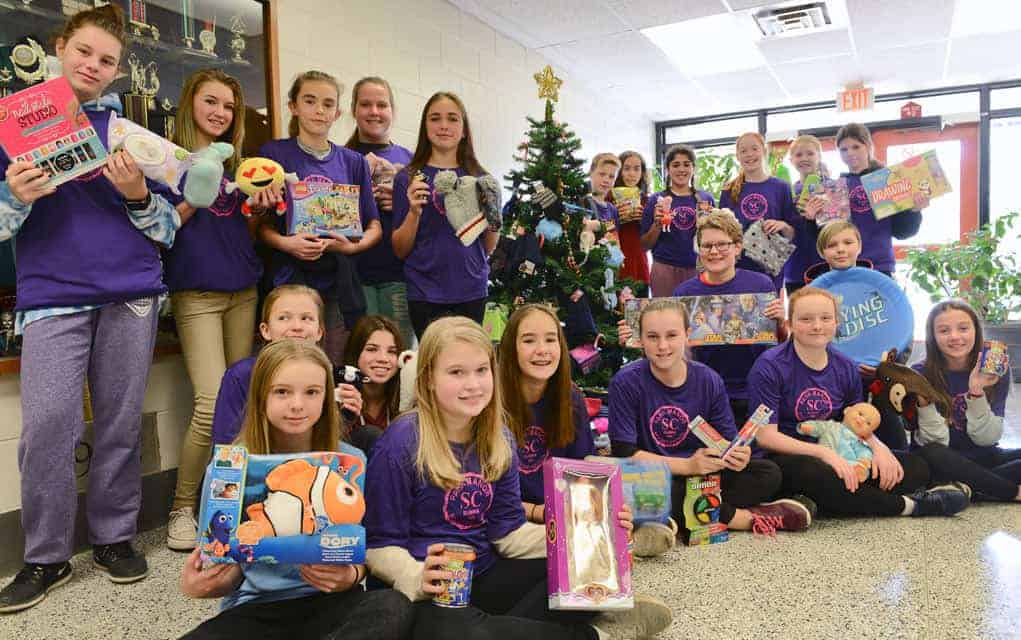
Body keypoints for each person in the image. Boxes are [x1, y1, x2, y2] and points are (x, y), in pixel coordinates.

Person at [0, 4, 180, 612]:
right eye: (84, 52)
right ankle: (45, 557)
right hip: (52, 297)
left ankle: (114, 538)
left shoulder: (130, 137)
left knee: (121, 423)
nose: (94, 66)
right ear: (60, 48)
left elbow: (168, 229)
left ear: (118, 72)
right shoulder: (15, 126)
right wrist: (14, 198)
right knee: (47, 430)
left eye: (107, 60)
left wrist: (136, 195)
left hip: (130, 294)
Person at [364, 316, 671, 640]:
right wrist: (415, 576)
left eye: (482, 371)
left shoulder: (499, 438)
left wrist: (594, 535)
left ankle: (513, 628)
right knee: (453, 631)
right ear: (428, 379)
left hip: (484, 574)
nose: (473, 384)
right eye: (456, 372)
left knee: (584, 563)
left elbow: (508, 534)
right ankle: (595, 635)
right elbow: (379, 546)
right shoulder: (400, 442)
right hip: (429, 594)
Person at [178, 339, 412, 639]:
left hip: (331, 603)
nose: (297, 404)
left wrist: (351, 575)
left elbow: (368, 549)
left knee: (392, 606)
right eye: (281, 391)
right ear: (261, 396)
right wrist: (199, 584)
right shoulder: (228, 469)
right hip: (256, 609)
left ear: (327, 397)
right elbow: (223, 563)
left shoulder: (351, 463)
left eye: (312, 392)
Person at [608, 298, 811, 557]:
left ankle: (675, 520)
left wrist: (736, 455)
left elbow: (726, 441)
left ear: (688, 335)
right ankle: (745, 519)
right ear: (641, 340)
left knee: (768, 473)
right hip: (655, 477)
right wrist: (687, 466)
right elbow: (626, 454)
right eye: (652, 337)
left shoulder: (707, 379)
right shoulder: (626, 382)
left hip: (703, 477)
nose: (662, 346)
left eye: (671, 335)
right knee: (641, 491)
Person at [747, 288, 970, 518]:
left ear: (836, 322)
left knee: (914, 468)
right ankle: (909, 506)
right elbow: (765, 437)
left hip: (843, 448)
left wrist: (878, 448)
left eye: (825, 318)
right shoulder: (769, 366)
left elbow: (857, 422)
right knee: (817, 475)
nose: (817, 326)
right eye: (805, 319)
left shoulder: (845, 365)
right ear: (790, 323)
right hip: (792, 457)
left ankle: (824, 501)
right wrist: (824, 454)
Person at [164, 68, 262, 551]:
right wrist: (190, 197)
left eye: (229, 106)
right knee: (209, 403)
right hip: (197, 295)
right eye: (211, 101)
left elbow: (242, 228)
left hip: (244, 291)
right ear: (190, 103)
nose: (220, 112)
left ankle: (226, 501)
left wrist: (259, 205)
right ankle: (182, 507)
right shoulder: (167, 160)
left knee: (239, 401)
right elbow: (158, 227)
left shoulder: (239, 167)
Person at [256, 70, 382, 364]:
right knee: (288, 363)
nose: (319, 110)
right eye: (310, 101)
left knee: (335, 364)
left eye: (327, 104)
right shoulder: (273, 153)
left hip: (340, 281)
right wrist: (287, 244)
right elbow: (259, 225)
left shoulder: (353, 162)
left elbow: (374, 225)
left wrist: (354, 246)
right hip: (289, 278)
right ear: (293, 106)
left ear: (337, 113)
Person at [391, 93, 499, 338]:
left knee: (465, 364)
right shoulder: (407, 178)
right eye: (435, 119)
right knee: (433, 365)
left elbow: (487, 247)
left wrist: (494, 218)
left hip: (471, 289)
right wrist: (414, 212)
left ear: (463, 130)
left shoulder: (481, 178)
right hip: (424, 291)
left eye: (452, 119)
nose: (443, 126)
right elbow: (399, 249)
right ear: (425, 127)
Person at [210, 285, 362, 446]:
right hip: (255, 462)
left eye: (306, 318)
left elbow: (327, 441)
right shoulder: (242, 374)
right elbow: (225, 444)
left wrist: (344, 417)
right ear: (265, 330)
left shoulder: (328, 373)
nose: (297, 326)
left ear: (319, 331)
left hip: (314, 464)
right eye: (284, 318)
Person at [671, 210, 784, 424]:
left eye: (722, 244)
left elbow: (778, 343)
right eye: (707, 246)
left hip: (755, 388)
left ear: (738, 247)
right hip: (706, 390)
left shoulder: (761, 285)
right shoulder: (683, 293)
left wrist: (781, 321)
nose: (714, 252)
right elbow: (680, 349)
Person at [912, 300, 1021, 502]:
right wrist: (925, 403)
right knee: (933, 452)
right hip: (940, 461)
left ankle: (971, 487)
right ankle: (1010, 492)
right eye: (944, 331)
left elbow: (988, 439)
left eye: (963, 328)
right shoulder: (919, 374)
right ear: (933, 337)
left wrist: (976, 391)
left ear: (975, 331)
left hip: (983, 457)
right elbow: (934, 443)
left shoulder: (993, 372)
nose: (954, 337)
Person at [498, 304, 595, 521]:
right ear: (510, 348)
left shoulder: (571, 397)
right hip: (505, 520)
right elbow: (481, 495)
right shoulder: (489, 399)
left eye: (551, 339)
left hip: (559, 513)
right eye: (529, 340)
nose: (542, 350)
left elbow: (582, 469)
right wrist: (538, 512)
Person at [345, 77, 416, 349]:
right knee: (362, 358)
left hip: (399, 276)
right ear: (354, 110)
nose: (374, 111)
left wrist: (402, 205)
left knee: (399, 356)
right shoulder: (341, 157)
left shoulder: (411, 159)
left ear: (392, 111)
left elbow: (426, 219)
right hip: (354, 277)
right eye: (366, 104)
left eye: (381, 105)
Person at [837, 123, 928, 276]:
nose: (850, 153)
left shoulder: (886, 181)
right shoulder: (837, 187)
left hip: (880, 265)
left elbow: (902, 232)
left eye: (856, 147)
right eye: (844, 149)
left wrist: (913, 211)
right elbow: (829, 233)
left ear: (868, 147)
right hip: (845, 265)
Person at [719, 132, 796, 288]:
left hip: (770, 268)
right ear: (737, 156)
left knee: (770, 312)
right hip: (736, 269)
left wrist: (783, 225)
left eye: (754, 148)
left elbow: (793, 233)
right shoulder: (728, 190)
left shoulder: (781, 187)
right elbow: (721, 231)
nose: (749, 154)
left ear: (764, 151)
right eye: (743, 151)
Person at [640, 145, 715, 297]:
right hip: (664, 269)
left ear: (693, 168)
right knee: (665, 316)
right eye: (676, 165)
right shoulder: (656, 200)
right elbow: (644, 245)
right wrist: (657, 223)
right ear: (668, 169)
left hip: (699, 268)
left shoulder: (706, 200)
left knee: (697, 317)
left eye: (686, 164)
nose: (681, 169)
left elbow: (715, 238)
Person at [342, 314, 405, 456]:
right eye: (372, 349)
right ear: (355, 353)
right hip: (350, 474)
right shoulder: (339, 395)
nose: (383, 359)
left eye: (392, 352)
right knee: (369, 434)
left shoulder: (408, 398)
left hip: (396, 473)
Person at [611, 151, 650, 284]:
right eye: (626, 168)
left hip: (639, 263)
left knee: (641, 302)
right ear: (619, 171)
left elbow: (654, 239)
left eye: (636, 169)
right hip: (615, 263)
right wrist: (615, 217)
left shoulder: (647, 201)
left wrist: (643, 220)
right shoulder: (608, 198)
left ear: (642, 172)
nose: (632, 174)